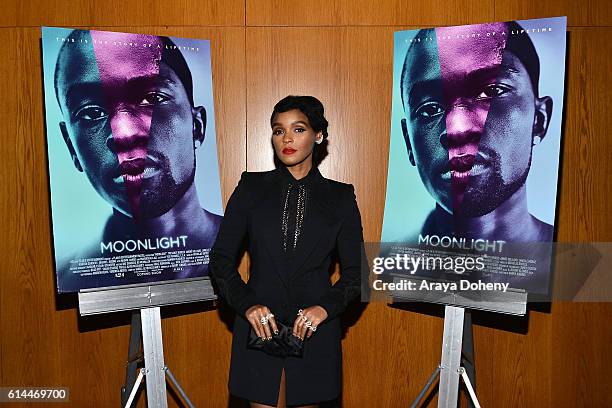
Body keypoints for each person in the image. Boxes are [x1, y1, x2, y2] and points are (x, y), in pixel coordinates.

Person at [210, 95, 363, 407]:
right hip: (259, 328)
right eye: (279, 131)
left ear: (318, 135)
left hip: (314, 330)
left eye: (298, 129)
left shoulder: (341, 197)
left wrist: (324, 309)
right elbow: (220, 261)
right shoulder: (250, 188)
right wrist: (248, 305)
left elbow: (358, 274)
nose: (287, 139)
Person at [52, 30, 221, 290]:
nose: (125, 133)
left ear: (197, 126)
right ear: (71, 147)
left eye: (152, 99)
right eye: (91, 113)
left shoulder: (251, 255)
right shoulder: (70, 278)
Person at [399, 21, 553, 244]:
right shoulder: (383, 269)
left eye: (491, 91)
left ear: (539, 120)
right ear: (408, 143)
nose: (458, 128)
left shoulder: (581, 267)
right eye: (429, 109)